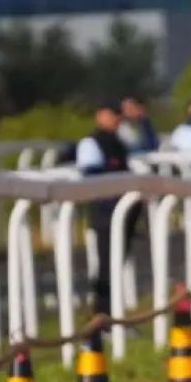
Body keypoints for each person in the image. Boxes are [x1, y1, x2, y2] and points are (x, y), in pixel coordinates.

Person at [75, 104, 132, 317]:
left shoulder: (121, 141)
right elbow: (91, 176)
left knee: (117, 264)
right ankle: (102, 313)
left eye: (118, 115)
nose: (116, 119)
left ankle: (112, 314)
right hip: (103, 213)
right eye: (111, 115)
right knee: (106, 265)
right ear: (100, 116)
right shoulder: (91, 144)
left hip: (122, 211)